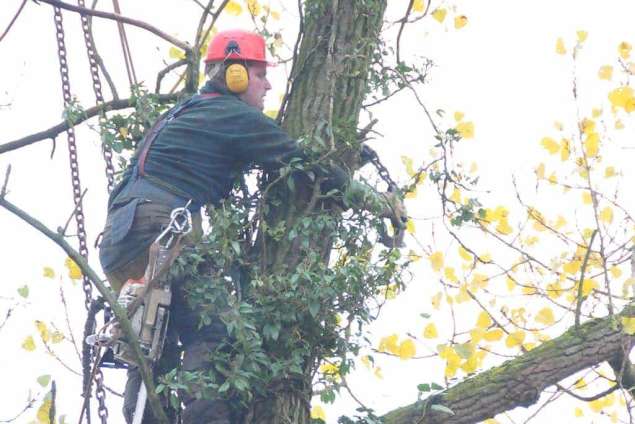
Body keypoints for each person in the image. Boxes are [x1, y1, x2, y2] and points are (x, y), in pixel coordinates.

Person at [98, 29, 406, 424]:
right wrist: (374, 201)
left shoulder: (190, 112)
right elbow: (299, 164)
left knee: (153, 340)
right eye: (260, 75)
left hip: (121, 239)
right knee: (217, 332)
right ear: (235, 75)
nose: (268, 84)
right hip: (160, 226)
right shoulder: (232, 115)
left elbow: (262, 157)